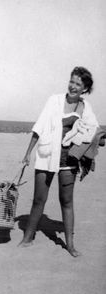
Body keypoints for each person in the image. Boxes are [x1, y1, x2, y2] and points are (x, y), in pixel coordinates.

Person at [19, 67, 99, 257]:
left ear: (85, 88)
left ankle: (70, 245)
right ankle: (27, 237)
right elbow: (39, 126)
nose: (73, 86)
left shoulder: (85, 107)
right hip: (47, 154)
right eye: (72, 81)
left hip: (69, 160)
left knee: (67, 201)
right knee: (39, 199)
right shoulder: (54, 100)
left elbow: (93, 130)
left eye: (78, 84)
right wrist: (28, 153)